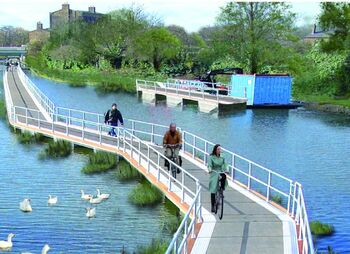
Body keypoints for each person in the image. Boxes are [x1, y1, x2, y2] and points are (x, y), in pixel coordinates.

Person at [208, 144, 228, 213]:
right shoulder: (211, 157)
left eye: (220, 149)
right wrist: (210, 169)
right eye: (218, 149)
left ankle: (222, 189)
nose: (220, 150)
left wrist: (227, 169)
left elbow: (225, 164)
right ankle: (213, 206)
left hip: (220, 170)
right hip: (214, 172)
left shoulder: (222, 157)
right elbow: (209, 165)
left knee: (224, 176)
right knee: (213, 190)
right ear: (215, 150)